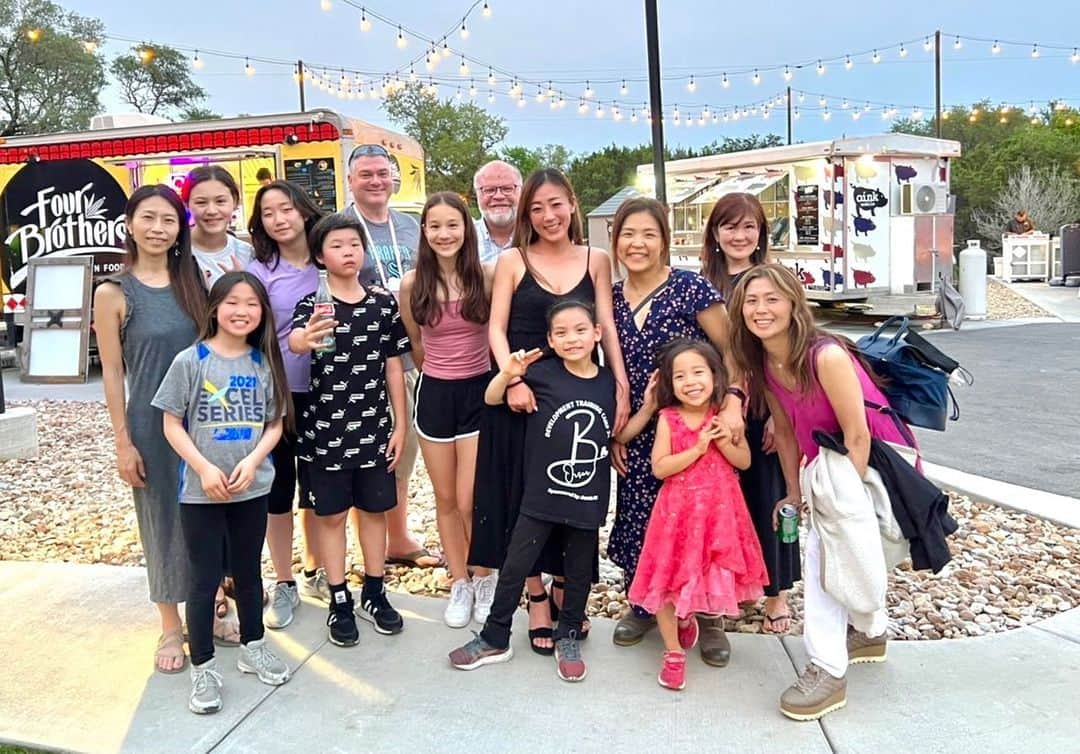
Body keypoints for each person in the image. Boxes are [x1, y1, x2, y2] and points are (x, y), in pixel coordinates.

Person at [729, 263, 916, 721]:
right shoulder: (765, 363)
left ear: (794, 303)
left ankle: (828, 671)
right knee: (846, 551)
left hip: (874, 459)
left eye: (772, 298)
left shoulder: (825, 356)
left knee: (824, 554)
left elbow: (858, 435)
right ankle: (870, 632)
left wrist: (838, 505)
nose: (760, 309)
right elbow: (789, 433)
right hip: (827, 463)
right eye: (751, 301)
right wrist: (794, 494)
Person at [469, 168, 629, 654]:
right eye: (536, 208)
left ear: (573, 204)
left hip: (577, 395)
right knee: (524, 500)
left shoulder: (595, 259)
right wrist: (512, 378)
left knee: (573, 492)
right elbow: (495, 329)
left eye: (555, 204)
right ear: (526, 215)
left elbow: (606, 322)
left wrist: (620, 383)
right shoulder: (512, 261)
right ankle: (536, 597)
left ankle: (566, 589)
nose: (548, 216)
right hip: (524, 395)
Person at [607, 197, 744, 666]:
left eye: (648, 233)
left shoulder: (691, 288)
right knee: (644, 521)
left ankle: (708, 616)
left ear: (664, 240)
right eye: (628, 234)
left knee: (699, 524)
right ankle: (646, 604)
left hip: (694, 428)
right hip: (641, 430)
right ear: (615, 240)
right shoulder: (608, 296)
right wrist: (615, 432)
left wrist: (732, 404)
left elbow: (732, 353)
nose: (637, 243)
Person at [449, 301, 615, 682]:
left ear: (597, 334)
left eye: (579, 330)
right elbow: (491, 399)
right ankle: (495, 635)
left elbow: (617, 429)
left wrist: (649, 404)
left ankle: (568, 633)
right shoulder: (540, 375)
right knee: (515, 567)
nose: (571, 339)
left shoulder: (609, 381)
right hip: (539, 496)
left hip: (587, 497)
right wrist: (508, 374)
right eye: (561, 333)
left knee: (576, 572)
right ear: (550, 341)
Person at [152, 271, 292, 714]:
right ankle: (204, 667)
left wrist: (252, 462)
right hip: (201, 492)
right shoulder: (190, 361)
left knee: (249, 572)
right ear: (215, 307)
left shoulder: (262, 362)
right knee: (204, 576)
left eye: (252, 304)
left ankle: (254, 644)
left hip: (251, 489)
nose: (242, 311)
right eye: (233, 302)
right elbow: (171, 422)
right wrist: (204, 467)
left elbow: (274, 424)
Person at [94, 185, 207, 673]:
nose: (158, 229)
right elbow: (114, 373)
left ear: (180, 228)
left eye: (168, 220)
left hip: (206, 419)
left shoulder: (194, 280)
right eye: (149, 218)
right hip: (150, 423)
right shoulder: (114, 293)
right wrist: (123, 441)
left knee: (209, 517)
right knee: (162, 519)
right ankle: (169, 622)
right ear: (130, 224)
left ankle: (212, 606)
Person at [288, 213, 409, 647]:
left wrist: (401, 424)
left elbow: (394, 366)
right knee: (332, 515)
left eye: (354, 245)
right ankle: (339, 595)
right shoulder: (313, 305)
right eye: (337, 246)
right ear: (321, 255)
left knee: (375, 512)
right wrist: (304, 338)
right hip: (324, 430)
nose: (348, 252)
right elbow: (297, 343)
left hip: (375, 428)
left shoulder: (382, 303)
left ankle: (374, 591)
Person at [628, 338, 768, 691]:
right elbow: (660, 468)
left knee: (707, 570)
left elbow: (745, 461)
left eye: (698, 372)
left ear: (715, 375)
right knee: (666, 577)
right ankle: (673, 652)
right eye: (680, 376)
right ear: (669, 384)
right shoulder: (668, 418)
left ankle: (693, 616)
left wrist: (721, 440)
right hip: (676, 514)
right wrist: (699, 447)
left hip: (719, 514)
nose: (690, 381)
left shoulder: (723, 414)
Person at [700, 192, 800, 636]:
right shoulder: (702, 283)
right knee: (724, 503)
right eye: (729, 226)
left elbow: (791, 352)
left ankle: (777, 591)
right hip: (718, 408)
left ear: (761, 233)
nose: (739, 236)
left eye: (749, 227)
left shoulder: (776, 281)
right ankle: (730, 587)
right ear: (715, 234)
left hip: (768, 407)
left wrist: (784, 416)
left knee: (770, 496)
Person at [399, 192, 496, 627]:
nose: (444, 234)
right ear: (424, 232)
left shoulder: (487, 278)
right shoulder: (412, 283)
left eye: (452, 225)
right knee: (444, 498)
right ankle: (459, 581)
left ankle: (484, 574)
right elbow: (417, 347)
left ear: (466, 229)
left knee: (470, 496)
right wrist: (438, 376)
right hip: (436, 395)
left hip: (479, 394)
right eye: (435, 226)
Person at [345, 143, 439, 570]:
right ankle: (367, 542)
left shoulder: (410, 227)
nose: (376, 181)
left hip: (414, 353)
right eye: (366, 174)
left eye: (383, 173)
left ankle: (397, 538)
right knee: (369, 450)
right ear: (351, 180)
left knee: (406, 449)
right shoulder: (340, 226)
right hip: (364, 360)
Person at [247, 180, 326, 630]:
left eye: (286, 209)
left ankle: (318, 571)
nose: (279, 219)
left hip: (328, 392)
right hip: (276, 393)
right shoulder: (261, 270)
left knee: (318, 489)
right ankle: (284, 580)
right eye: (269, 213)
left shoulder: (328, 260)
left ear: (304, 212)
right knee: (277, 491)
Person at [183, 166, 254, 289]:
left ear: (235, 202)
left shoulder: (248, 254)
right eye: (201, 202)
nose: (211, 211)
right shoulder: (175, 253)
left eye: (220, 201)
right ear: (187, 205)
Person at [473, 160, 522, 263]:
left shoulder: (538, 237)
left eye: (507, 189)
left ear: (521, 192)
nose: (498, 196)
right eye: (489, 190)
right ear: (477, 194)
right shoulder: (461, 239)